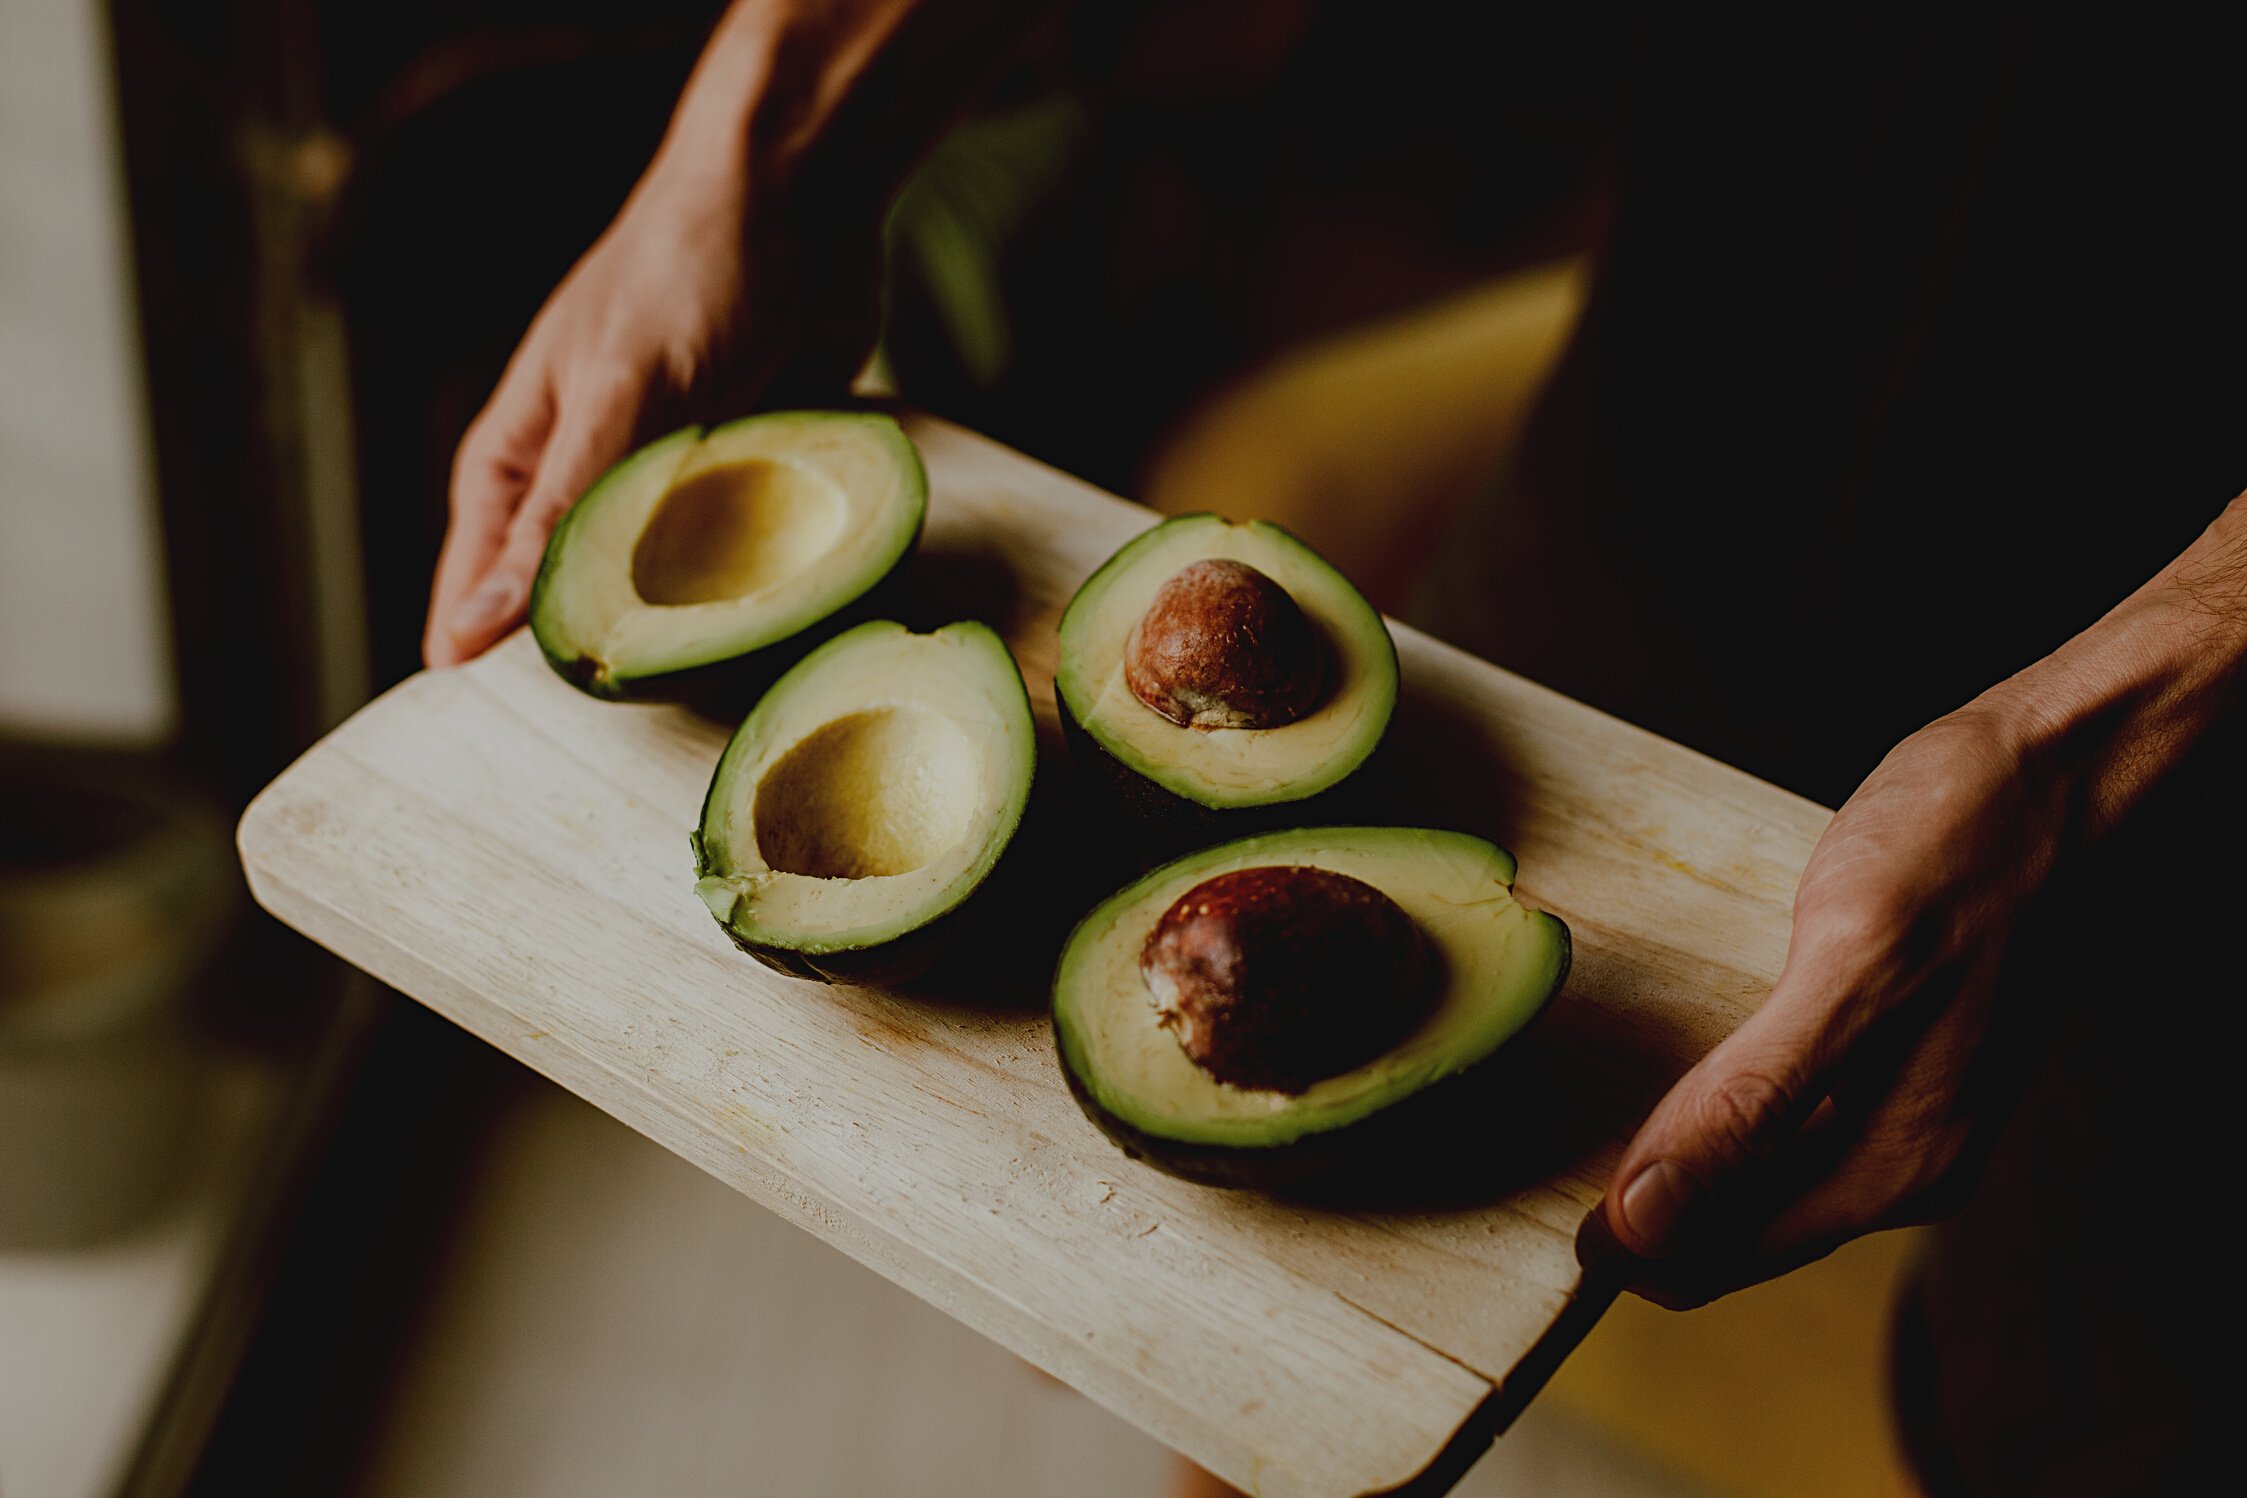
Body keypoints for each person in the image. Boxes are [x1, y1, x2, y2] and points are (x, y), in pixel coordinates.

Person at [426, 4, 2240, 1494]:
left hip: (2209, 691)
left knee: (2083, 1424)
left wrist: (2133, 710)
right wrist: (765, 143)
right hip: (1705, 405)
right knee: (1255, 1324)